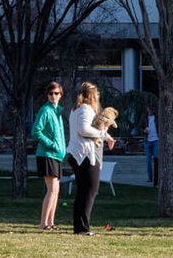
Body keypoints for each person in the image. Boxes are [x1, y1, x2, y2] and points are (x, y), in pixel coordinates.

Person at [66, 81, 116, 236]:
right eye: (97, 95)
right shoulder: (86, 109)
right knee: (91, 190)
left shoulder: (75, 109)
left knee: (83, 191)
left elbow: (88, 129)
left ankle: (79, 227)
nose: (98, 98)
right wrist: (103, 134)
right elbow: (84, 130)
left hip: (76, 154)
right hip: (84, 155)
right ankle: (82, 228)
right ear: (92, 96)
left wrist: (106, 136)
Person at [31, 81, 67, 231]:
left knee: (56, 191)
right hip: (47, 154)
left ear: (60, 95)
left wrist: (61, 149)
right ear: (47, 95)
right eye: (51, 93)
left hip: (56, 156)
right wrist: (52, 144)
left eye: (56, 93)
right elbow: (35, 131)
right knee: (51, 190)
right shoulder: (45, 110)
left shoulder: (57, 112)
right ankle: (43, 224)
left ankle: (51, 223)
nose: (53, 96)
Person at [144, 102, 159, 184]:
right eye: (148, 109)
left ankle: (157, 177)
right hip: (147, 141)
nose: (148, 111)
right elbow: (142, 127)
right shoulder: (145, 118)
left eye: (149, 109)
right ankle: (150, 177)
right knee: (148, 161)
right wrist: (144, 130)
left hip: (156, 140)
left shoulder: (157, 118)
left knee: (156, 159)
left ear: (152, 110)